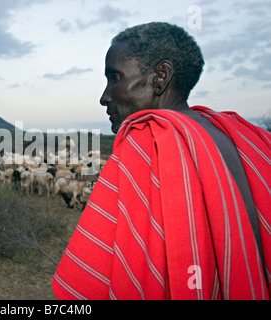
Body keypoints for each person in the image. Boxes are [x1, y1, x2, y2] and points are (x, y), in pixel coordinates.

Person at [52, 22, 271, 300]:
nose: (104, 96)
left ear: (160, 77)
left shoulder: (149, 142)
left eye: (115, 77)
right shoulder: (244, 135)